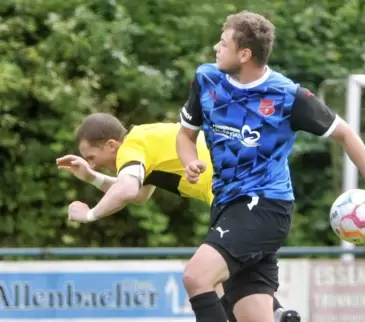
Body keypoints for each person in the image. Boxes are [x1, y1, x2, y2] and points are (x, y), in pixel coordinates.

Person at [176, 10, 365, 322]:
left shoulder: (287, 96)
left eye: (223, 43)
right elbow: (185, 135)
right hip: (227, 207)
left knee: (196, 277)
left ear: (245, 54)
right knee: (254, 317)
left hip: (266, 206)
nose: (216, 47)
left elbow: (346, 134)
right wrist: (190, 162)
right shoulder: (206, 80)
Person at [57, 112, 301, 322]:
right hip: (254, 201)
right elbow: (139, 194)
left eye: (92, 158)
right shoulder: (146, 139)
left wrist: (89, 214)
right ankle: (276, 313)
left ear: (111, 145)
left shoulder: (131, 147)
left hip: (247, 201)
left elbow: (127, 190)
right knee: (218, 283)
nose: (94, 165)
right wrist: (91, 177)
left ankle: (275, 312)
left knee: (199, 277)